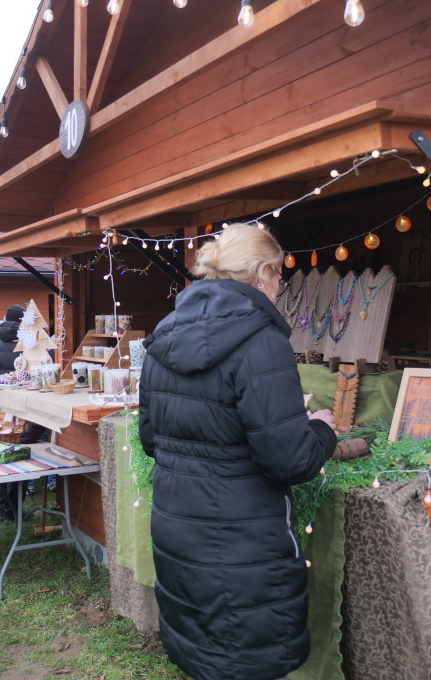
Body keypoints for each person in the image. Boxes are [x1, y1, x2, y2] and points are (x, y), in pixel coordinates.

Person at [138, 223, 338, 680]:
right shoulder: (262, 341)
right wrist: (321, 430)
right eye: (280, 276)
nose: (279, 288)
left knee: (205, 655)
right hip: (242, 542)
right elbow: (291, 460)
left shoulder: (164, 334)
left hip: (178, 529)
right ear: (263, 272)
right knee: (245, 659)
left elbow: (151, 439)